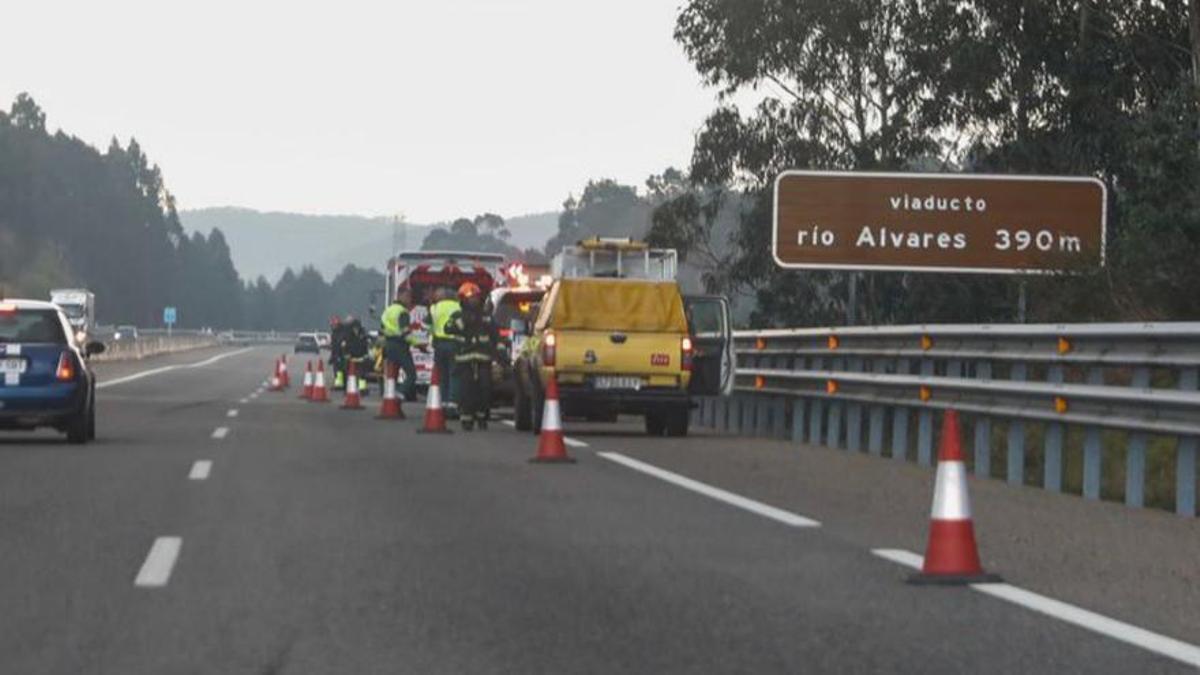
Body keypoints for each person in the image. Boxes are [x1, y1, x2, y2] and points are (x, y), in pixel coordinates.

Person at [445, 282, 506, 431]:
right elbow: (447, 328)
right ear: (463, 299)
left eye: (476, 297)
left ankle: (482, 416)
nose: (474, 300)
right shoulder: (457, 315)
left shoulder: (486, 317)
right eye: (470, 298)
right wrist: (463, 321)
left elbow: (496, 336)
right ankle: (467, 418)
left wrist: (501, 356)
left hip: (484, 359)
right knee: (466, 390)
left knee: (485, 389)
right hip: (464, 359)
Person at [380, 287, 420, 402]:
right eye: (408, 297)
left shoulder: (388, 310)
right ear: (401, 296)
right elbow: (406, 334)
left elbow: (382, 329)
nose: (410, 300)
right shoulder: (402, 312)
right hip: (400, 345)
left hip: (389, 345)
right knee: (412, 374)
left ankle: (389, 395)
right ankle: (400, 393)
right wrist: (419, 344)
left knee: (393, 374)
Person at [429, 286, 462, 416]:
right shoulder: (458, 307)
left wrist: (434, 333)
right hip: (454, 344)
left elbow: (426, 325)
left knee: (442, 376)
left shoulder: (434, 308)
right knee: (454, 374)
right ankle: (453, 405)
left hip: (439, 345)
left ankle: (442, 404)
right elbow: (461, 326)